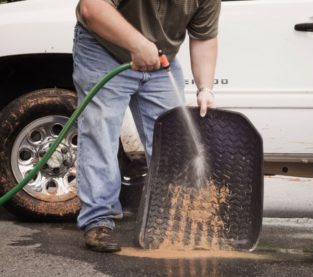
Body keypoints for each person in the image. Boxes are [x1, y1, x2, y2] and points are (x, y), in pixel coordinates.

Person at [73, 0, 220, 252]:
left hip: (161, 59)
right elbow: (91, 8)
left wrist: (205, 88)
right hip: (104, 48)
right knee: (100, 131)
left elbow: (203, 37)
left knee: (172, 139)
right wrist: (137, 44)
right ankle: (98, 220)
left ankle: (169, 219)